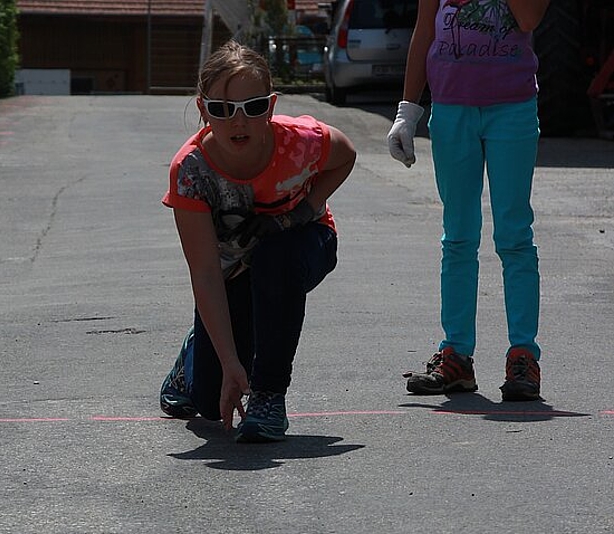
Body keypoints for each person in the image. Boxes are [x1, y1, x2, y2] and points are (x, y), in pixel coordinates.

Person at [159, 40, 356, 442]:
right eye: (222, 110)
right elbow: (206, 272)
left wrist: (305, 210)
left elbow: (346, 155)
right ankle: (194, 360)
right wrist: (231, 363)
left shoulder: (301, 140)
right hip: (233, 267)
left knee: (274, 258)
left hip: (303, 244)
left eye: (252, 108)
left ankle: (269, 397)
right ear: (202, 109)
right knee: (209, 399)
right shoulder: (191, 172)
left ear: (270, 105)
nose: (238, 122)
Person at [388, 0, 550, 401]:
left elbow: (529, 18)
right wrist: (407, 111)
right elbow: (424, 31)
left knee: (514, 236)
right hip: (451, 109)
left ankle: (523, 356)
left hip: (511, 109)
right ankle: (457, 355)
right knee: (458, 236)